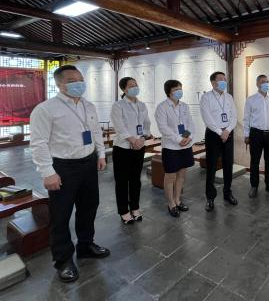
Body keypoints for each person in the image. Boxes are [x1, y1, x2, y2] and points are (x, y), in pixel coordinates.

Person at [30, 65, 110, 283]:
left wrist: (101, 154)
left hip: (88, 163)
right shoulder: (45, 109)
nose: (79, 83)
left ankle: (85, 245)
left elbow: (95, 132)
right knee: (61, 215)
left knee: (88, 207)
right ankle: (63, 259)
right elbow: (38, 143)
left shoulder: (88, 105)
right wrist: (48, 172)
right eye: (72, 80)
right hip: (63, 167)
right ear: (59, 84)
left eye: (80, 79)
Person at [110, 77, 151, 225]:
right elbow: (119, 126)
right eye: (131, 85)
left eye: (136, 85)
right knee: (122, 181)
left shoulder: (142, 105)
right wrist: (133, 140)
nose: (135, 87)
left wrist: (143, 138)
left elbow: (146, 123)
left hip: (139, 146)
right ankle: (123, 211)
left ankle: (135, 207)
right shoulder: (118, 106)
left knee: (135, 179)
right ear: (124, 89)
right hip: (123, 148)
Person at [154, 80, 195, 217]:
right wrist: (178, 139)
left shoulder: (184, 106)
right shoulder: (162, 107)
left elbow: (190, 123)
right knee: (170, 176)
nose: (179, 91)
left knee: (181, 175)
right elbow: (163, 128)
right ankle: (171, 203)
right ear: (169, 92)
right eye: (176, 89)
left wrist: (187, 137)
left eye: (180, 88)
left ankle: (178, 199)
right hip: (171, 147)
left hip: (185, 146)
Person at [199, 71, 238, 211]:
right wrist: (220, 132)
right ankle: (210, 197)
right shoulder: (206, 97)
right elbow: (207, 118)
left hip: (228, 134)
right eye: (221, 79)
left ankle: (227, 193)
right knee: (211, 166)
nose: (224, 81)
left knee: (228, 165)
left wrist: (227, 131)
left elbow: (234, 116)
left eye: (224, 79)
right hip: (213, 135)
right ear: (213, 82)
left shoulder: (229, 97)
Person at [244, 74, 269, 198]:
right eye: (262, 82)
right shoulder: (251, 100)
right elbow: (246, 119)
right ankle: (254, 186)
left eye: (266, 81)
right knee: (254, 162)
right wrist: (246, 134)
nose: (265, 84)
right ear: (257, 84)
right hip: (255, 134)